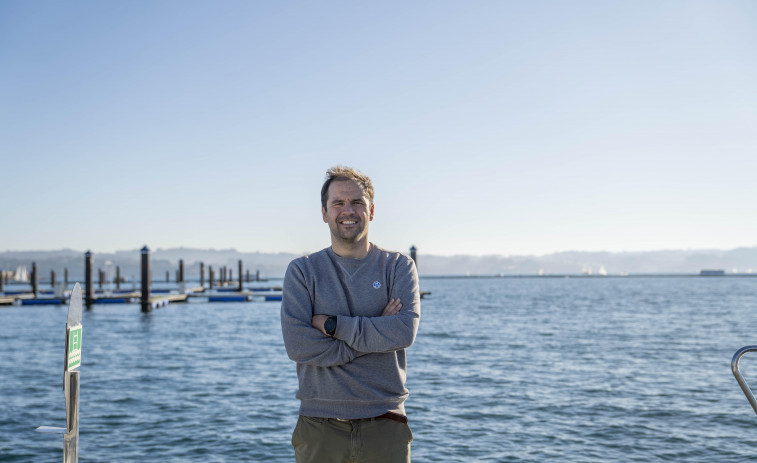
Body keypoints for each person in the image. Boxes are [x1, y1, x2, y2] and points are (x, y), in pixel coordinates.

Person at [280, 166, 421, 463]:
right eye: (338, 203)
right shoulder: (303, 272)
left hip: (385, 423)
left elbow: (402, 333)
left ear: (371, 210)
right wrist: (375, 332)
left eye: (357, 202)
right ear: (324, 212)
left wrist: (333, 326)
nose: (348, 211)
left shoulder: (398, 267)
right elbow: (299, 346)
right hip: (319, 425)